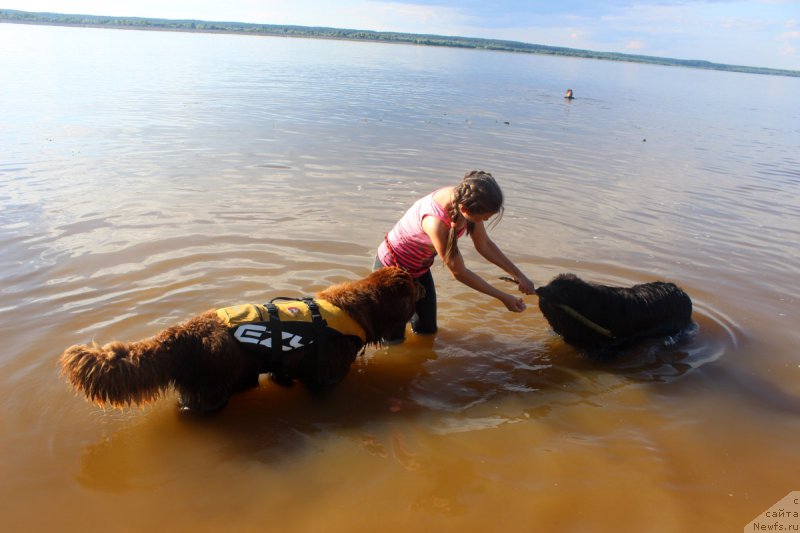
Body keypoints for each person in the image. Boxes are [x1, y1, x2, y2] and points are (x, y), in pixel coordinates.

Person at [374, 170, 535, 343]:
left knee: (427, 331)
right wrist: (504, 297)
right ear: (465, 210)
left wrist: (519, 275)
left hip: (419, 270)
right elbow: (459, 273)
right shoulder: (435, 222)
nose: (486, 221)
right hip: (390, 270)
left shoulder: (465, 197)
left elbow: (485, 245)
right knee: (393, 340)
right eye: (485, 217)